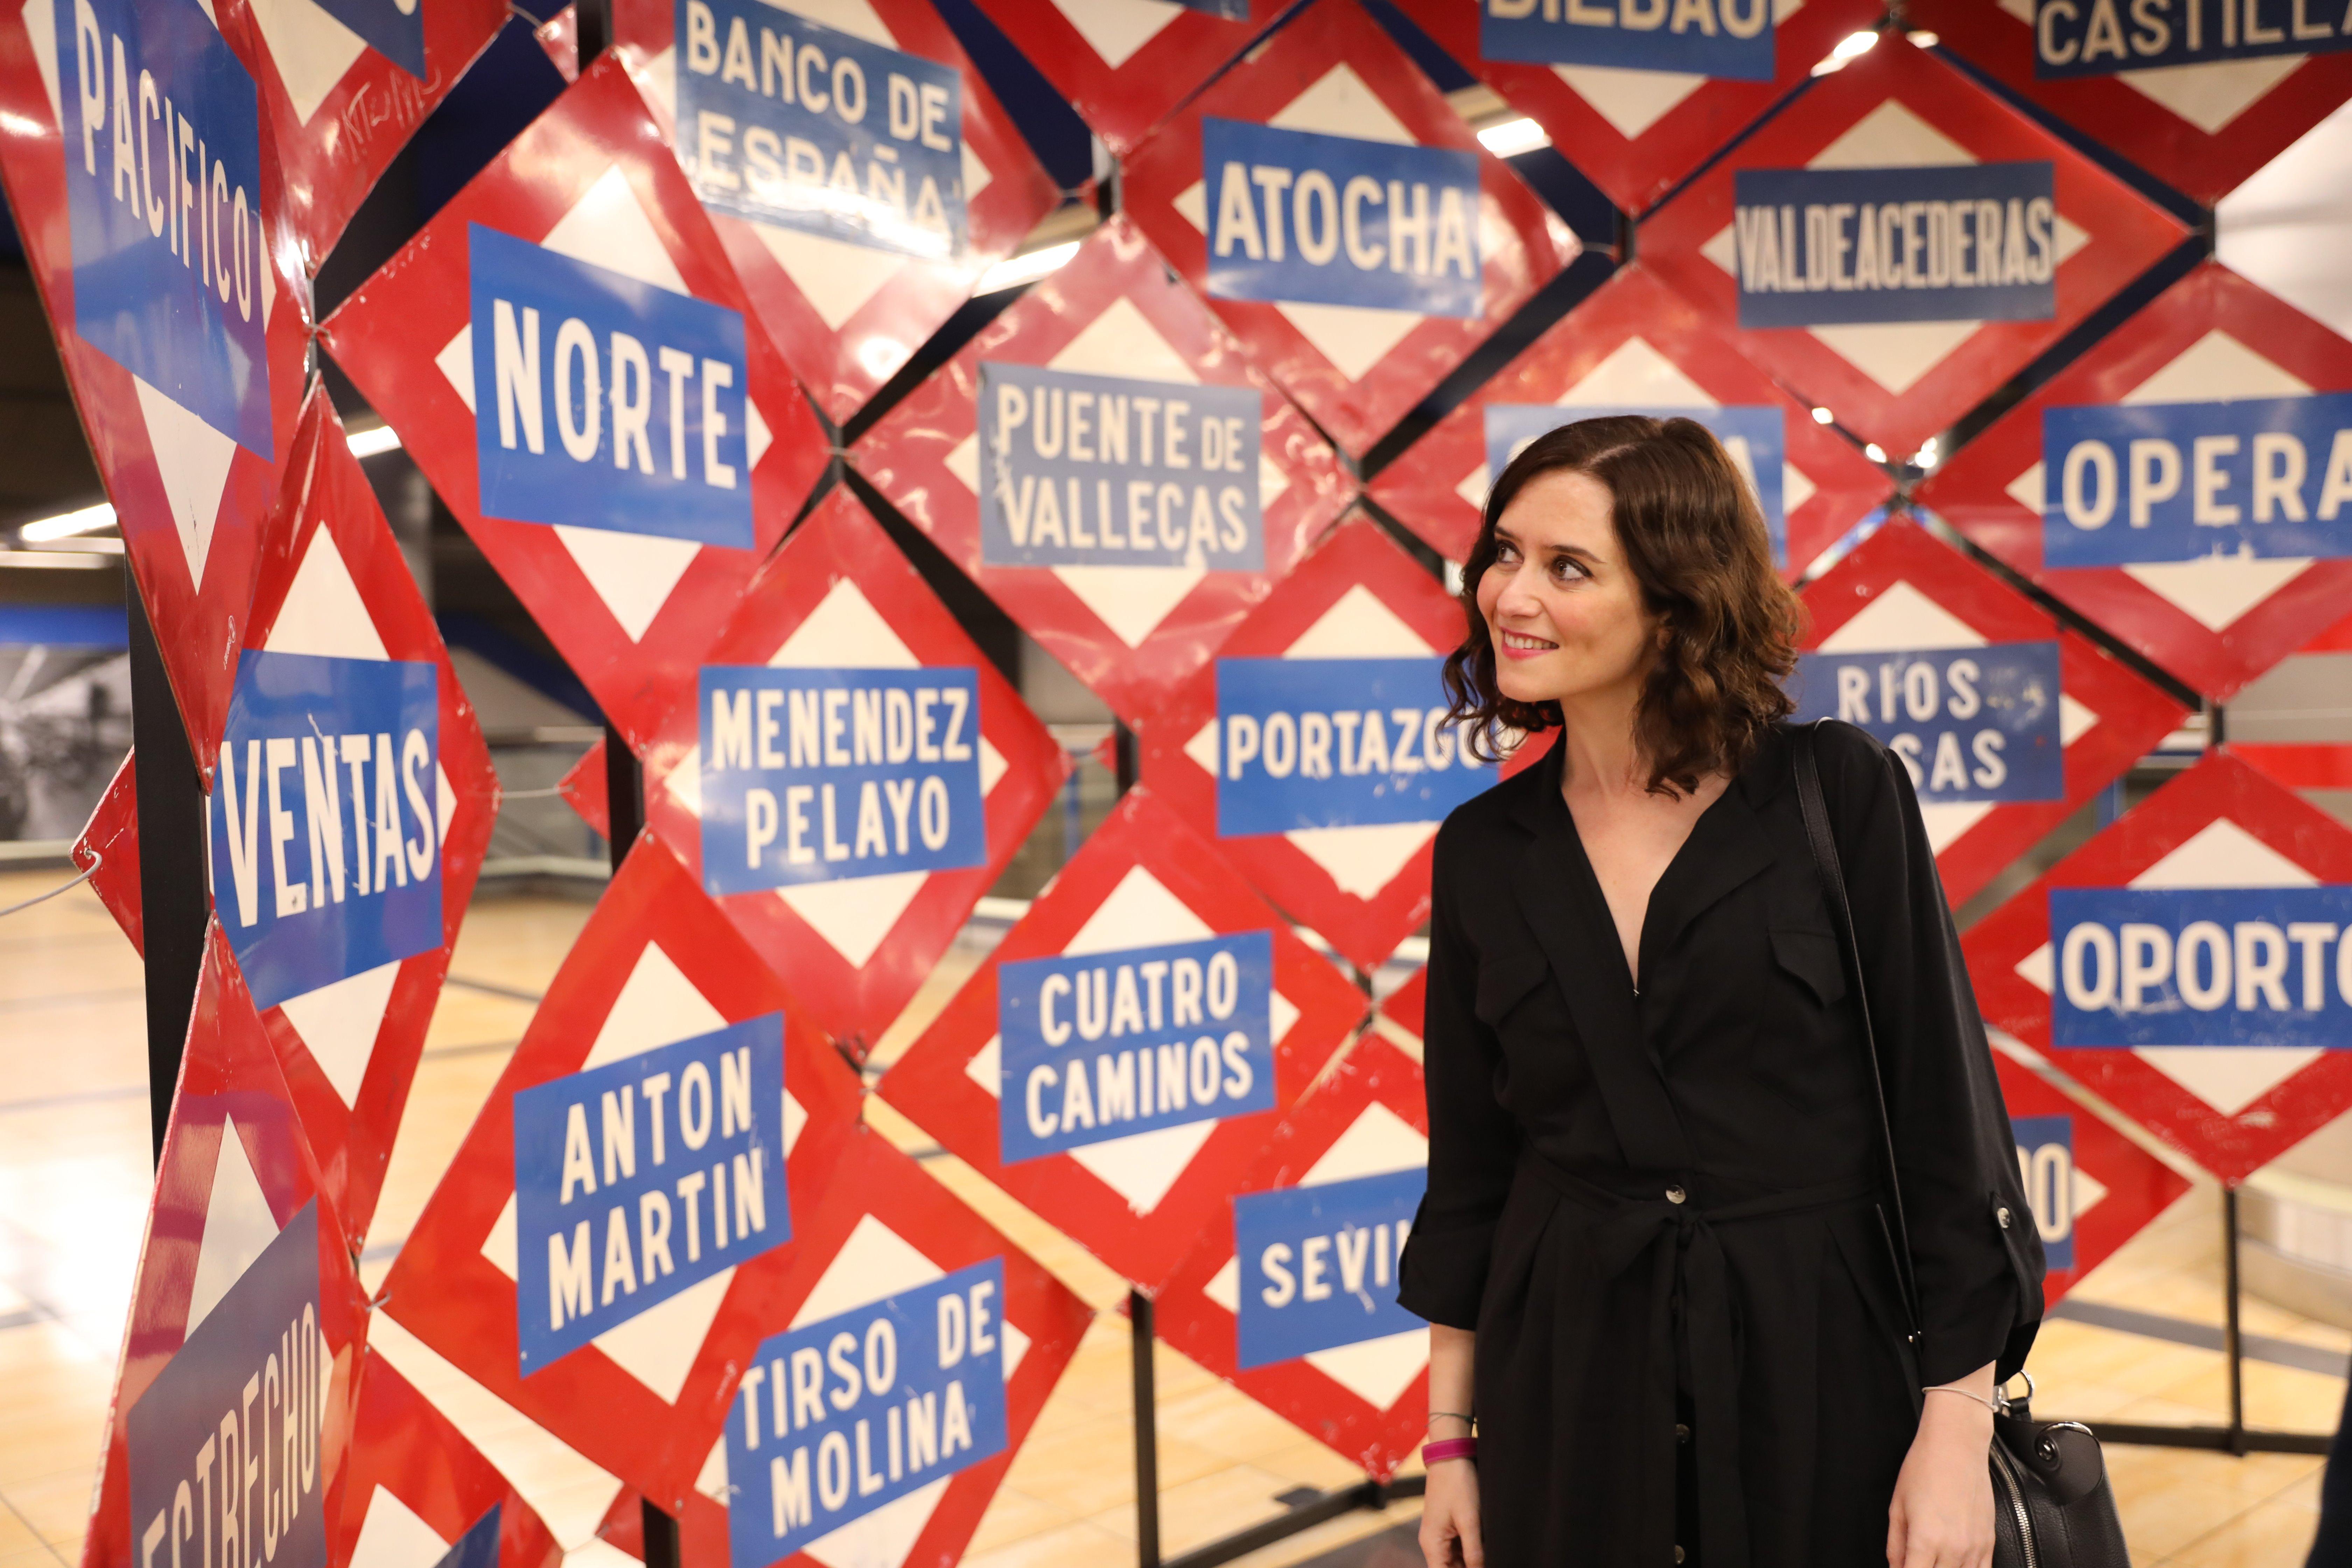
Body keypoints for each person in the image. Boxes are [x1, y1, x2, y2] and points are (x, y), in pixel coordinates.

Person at [1399, 417, 2045, 1568]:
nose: (1511, 595)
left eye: (1568, 567)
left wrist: (1955, 1429)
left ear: (1677, 602)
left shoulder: (1836, 792)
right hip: (1568, 1381)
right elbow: (1473, 1175)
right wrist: (1452, 1440)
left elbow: (1947, 1133)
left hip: (1821, 1368)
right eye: (1504, 553)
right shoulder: (1483, 850)